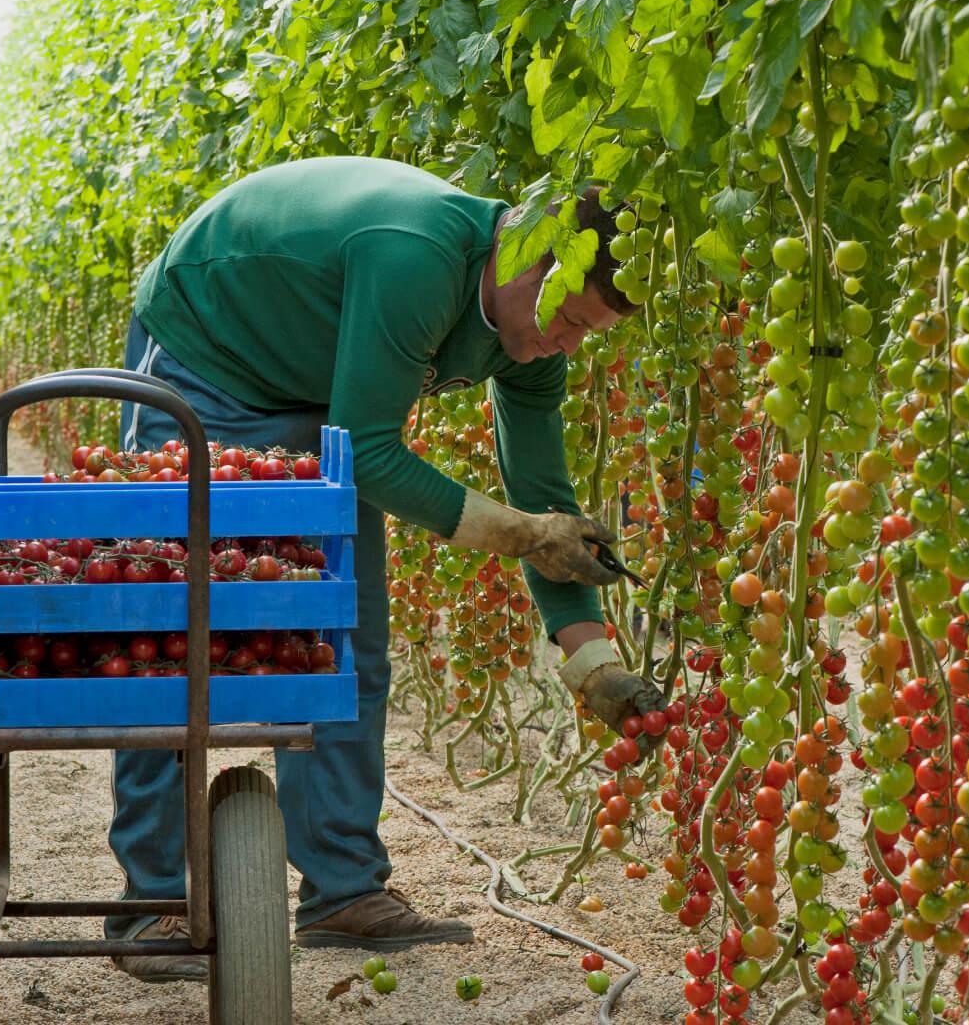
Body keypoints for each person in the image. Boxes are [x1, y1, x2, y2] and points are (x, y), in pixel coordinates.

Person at [108, 156, 666, 982]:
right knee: (178, 627)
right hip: (206, 354)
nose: (566, 341)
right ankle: (153, 898)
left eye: (585, 332)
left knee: (345, 637)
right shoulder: (416, 257)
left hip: (318, 391)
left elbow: (549, 513)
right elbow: (372, 452)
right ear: (532, 255)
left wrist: (594, 666)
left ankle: (340, 891)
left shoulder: (530, 338)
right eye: (571, 320)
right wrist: (513, 532)